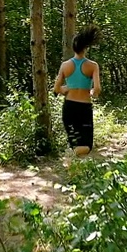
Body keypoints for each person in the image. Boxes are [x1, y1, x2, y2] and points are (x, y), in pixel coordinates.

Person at [53, 25, 102, 156]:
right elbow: (97, 89)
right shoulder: (93, 66)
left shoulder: (65, 66)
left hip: (69, 107)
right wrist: (91, 92)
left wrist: (66, 88)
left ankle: (71, 158)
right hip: (84, 108)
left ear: (73, 48)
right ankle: (70, 156)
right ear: (85, 48)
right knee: (86, 146)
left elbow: (56, 89)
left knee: (74, 142)